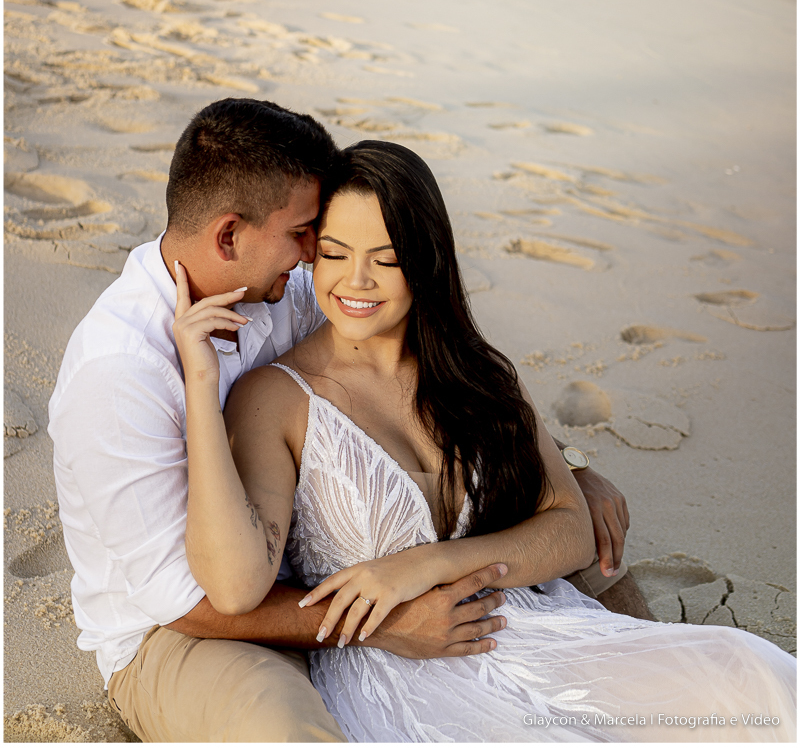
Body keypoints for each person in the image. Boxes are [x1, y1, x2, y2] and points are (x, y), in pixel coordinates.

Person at [49, 96, 649, 743]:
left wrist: (556, 464)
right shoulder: (119, 373)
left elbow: (416, 357)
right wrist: (384, 621)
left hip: (321, 563)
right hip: (195, 629)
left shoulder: (294, 285)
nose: (317, 254)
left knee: (589, 558)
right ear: (229, 235)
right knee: (283, 730)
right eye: (306, 233)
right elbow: (186, 601)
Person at [177, 139, 796, 744]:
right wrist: (202, 388)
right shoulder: (277, 397)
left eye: (386, 259)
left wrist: (425, 563)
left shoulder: (475, 371)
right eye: (335, 254)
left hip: (524, 629)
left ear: (426, 259)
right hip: (402, 680)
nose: (355, 281)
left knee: (753, 674)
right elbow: (234, 589)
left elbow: (570, 529)